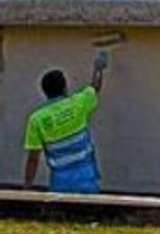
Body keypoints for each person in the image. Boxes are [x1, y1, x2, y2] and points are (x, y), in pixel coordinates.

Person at [23, 51, 108, 193]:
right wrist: (98, 68)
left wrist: (27, 188)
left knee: (63, 215)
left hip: (60, 185)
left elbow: (33, 159)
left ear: (45, 92)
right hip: (87, 181)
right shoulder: (78, 103)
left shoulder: (37, 119)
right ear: (65, 87)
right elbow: (95, 88)